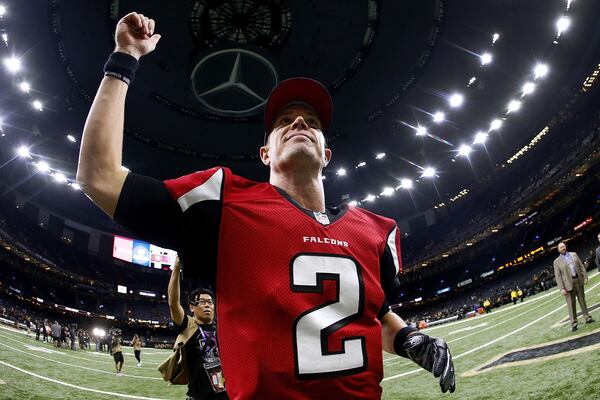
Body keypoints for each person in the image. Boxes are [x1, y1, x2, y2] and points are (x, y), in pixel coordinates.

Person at [76, 11, 455, 398]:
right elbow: (98, 177)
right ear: (265, 154)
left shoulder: (377, 230)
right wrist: (124, 59)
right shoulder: (224, 202)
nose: (299, 124)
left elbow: (371, 315)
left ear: (326, 154)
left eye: (310, 121)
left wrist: (410, 339)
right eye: (285, 121)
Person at [168, 258, 227, 399]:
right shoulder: (188, 325)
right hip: (198, 395)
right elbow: (173, 302)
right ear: (191, 307)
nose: (207, 305)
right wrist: (176, 268)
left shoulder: (222, 326)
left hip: (225, 393)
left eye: (210, 302)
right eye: (202, 302)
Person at [553, 242, 595, 332]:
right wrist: (562, 288)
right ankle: (574, 323)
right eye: (561, 247)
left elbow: (581, 266)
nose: (563, 248)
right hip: (568, 285)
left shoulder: (574, 254)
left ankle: (587, 318)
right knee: (571, 305)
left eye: (563, 246)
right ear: (558, 250)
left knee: (582, 300)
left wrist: (585, 277)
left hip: (578, 280)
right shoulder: (556, 262)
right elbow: (558, 277)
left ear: (565, 247)